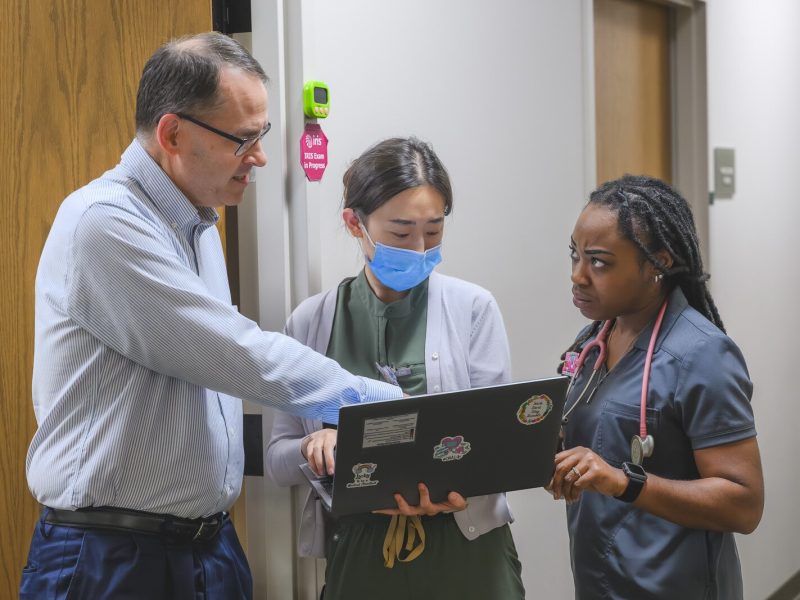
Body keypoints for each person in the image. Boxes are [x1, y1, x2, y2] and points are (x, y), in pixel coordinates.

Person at [21, 33, 402, 600]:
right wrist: (390, 406)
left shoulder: (196, 224)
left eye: (263, 134)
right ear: (173, 133)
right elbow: (237, 355)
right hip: (110, 556)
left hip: (206, 548)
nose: (261, 157)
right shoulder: (104, 224)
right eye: (244, 139)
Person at [266, 137, 525, 599]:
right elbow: (277, 461)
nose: (420, 249)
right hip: (361, 556)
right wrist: (314, 444)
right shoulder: (309, 322)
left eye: (435, 230)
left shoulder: (472, 309)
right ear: (354, 223)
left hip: (467, 551)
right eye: (401, 233)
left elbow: (501, 443)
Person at [549, 175, 764, 599]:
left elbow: (744, 504)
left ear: (658, 263)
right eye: (575, 256)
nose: (577, 276)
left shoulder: (702, 354)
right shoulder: (591, 344)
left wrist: (621, 481)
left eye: (599, 262)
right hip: (602, 583)